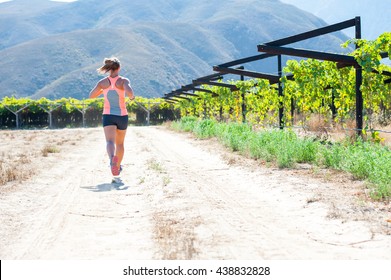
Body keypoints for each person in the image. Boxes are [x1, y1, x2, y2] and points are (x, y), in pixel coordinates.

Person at [89, 57, 135, 176]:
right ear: (119, 68)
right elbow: (130, 92)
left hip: (108, 115)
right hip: (122, 115)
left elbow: (91, 96)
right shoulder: (124, 81)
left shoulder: (102, 83)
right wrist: (131, 97)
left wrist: (102, 91)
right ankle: (118, 166)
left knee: (110, 141)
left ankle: (111, 160)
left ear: (109, 68)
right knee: (120, 143)